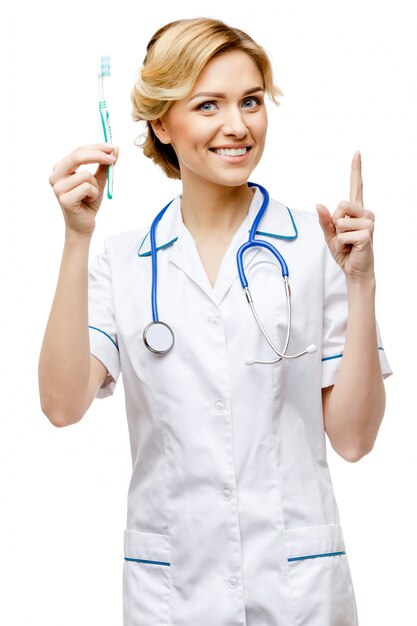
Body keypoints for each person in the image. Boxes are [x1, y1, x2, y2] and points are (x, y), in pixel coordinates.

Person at [38, 16, 392, 626]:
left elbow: (355, 441)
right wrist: (77, 237)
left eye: (251, 101)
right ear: (161, 123)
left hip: (298, 589)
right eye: (209, 105)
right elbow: (62, 405)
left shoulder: (318, 245)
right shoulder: (125, 261)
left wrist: (361, 283)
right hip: (171, 594)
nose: (238, 126)